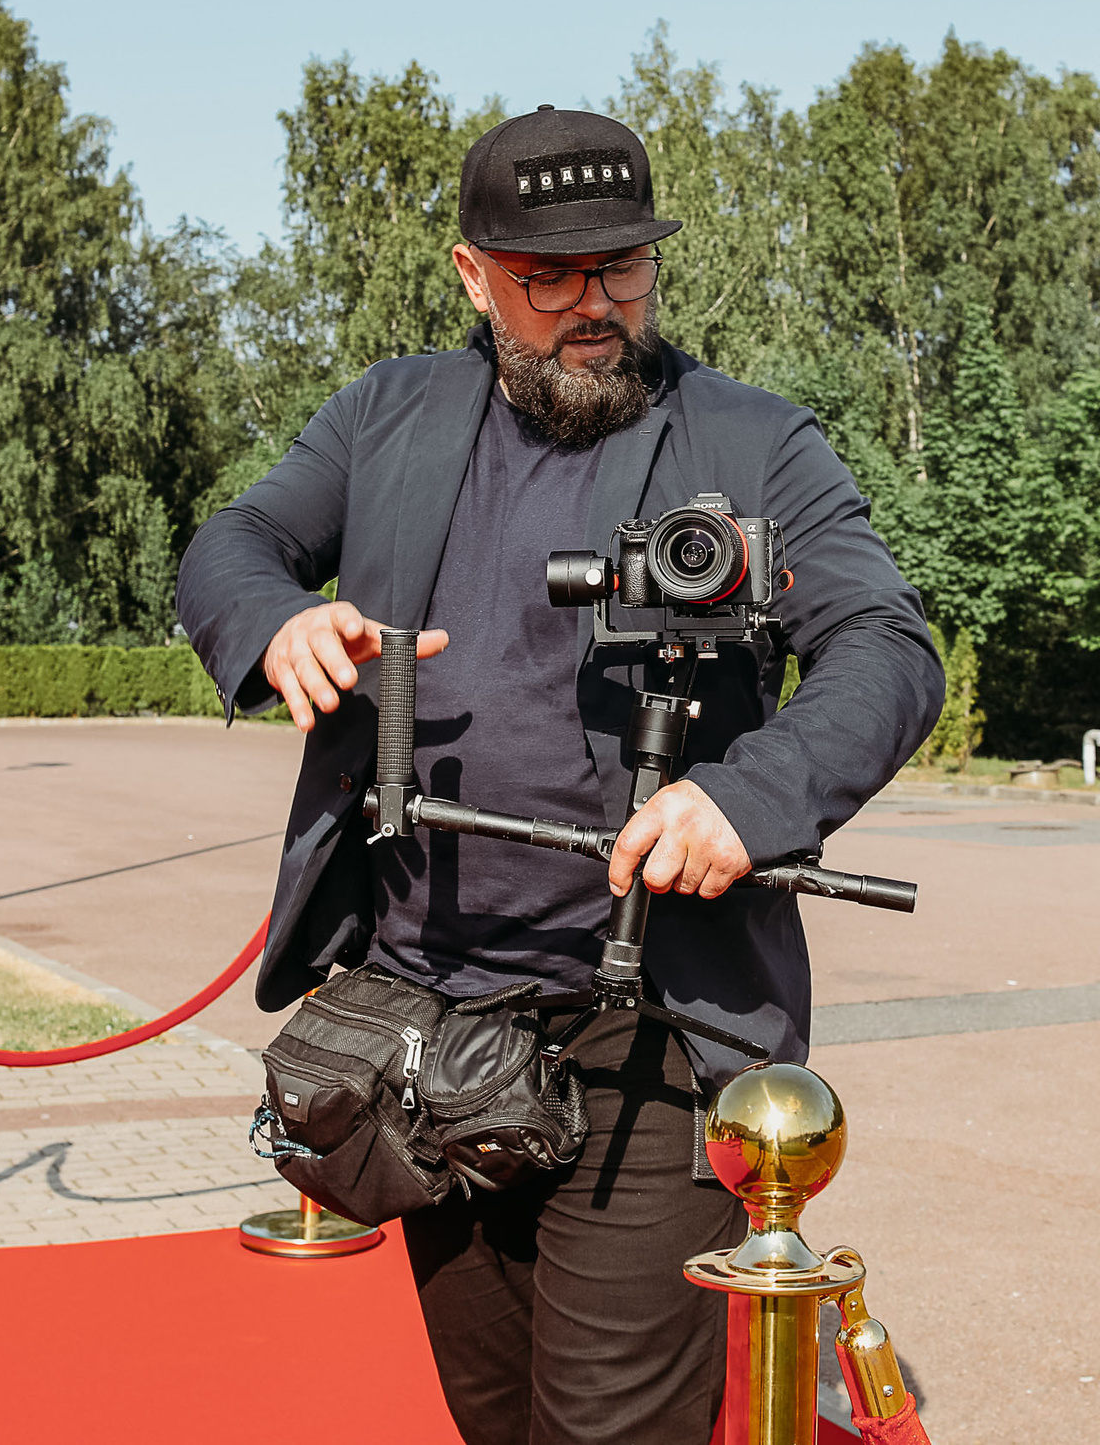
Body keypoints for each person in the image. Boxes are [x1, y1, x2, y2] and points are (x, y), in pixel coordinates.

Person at [175, 104, 940, 1445]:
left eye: (625, 269)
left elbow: (887, 644)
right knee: (492, 1415)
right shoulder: (386, 417)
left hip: (647, 1039)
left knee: (607, 1428)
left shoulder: (753, 441)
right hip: (427, 1033)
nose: (597, 306)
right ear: (473, 273)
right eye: (552, 278)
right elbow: (233, 543)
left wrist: (747, 798)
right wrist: (278, 623)